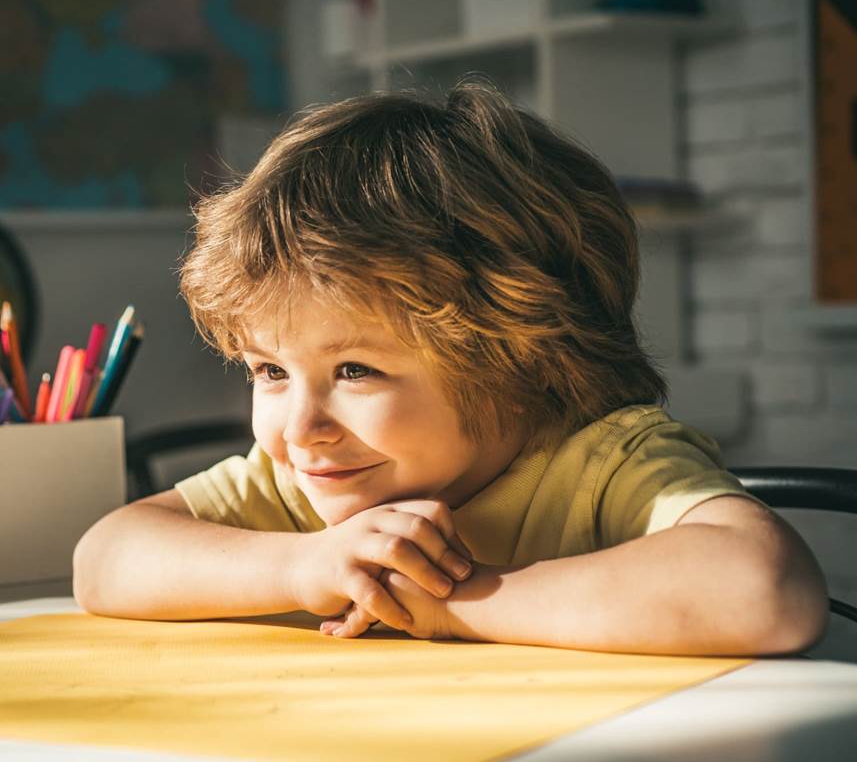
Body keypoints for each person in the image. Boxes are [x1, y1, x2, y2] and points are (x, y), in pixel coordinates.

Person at [73, 80, 829, 655]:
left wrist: (451, 602)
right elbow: (104, 558)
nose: (299, 428)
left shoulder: (603, 464)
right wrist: (303, 566)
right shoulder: (307, 487)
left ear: (518, 357)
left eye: (355, 371)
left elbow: (763, 590)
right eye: (270, 372)